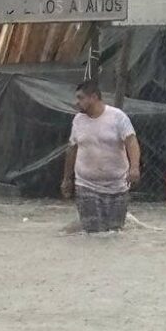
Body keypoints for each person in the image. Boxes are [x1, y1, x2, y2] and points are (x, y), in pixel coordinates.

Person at [61, 80, 141, 233]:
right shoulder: (78, 121)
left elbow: (132, 142)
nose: (77, 103)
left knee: (115, 232)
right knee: (94, 233)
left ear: (94, 97)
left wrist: (135, 167)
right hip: (86, 185)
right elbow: (72, 149)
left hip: (118, 186)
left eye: (80, 98)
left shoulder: (117, 117)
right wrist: (67, 179)